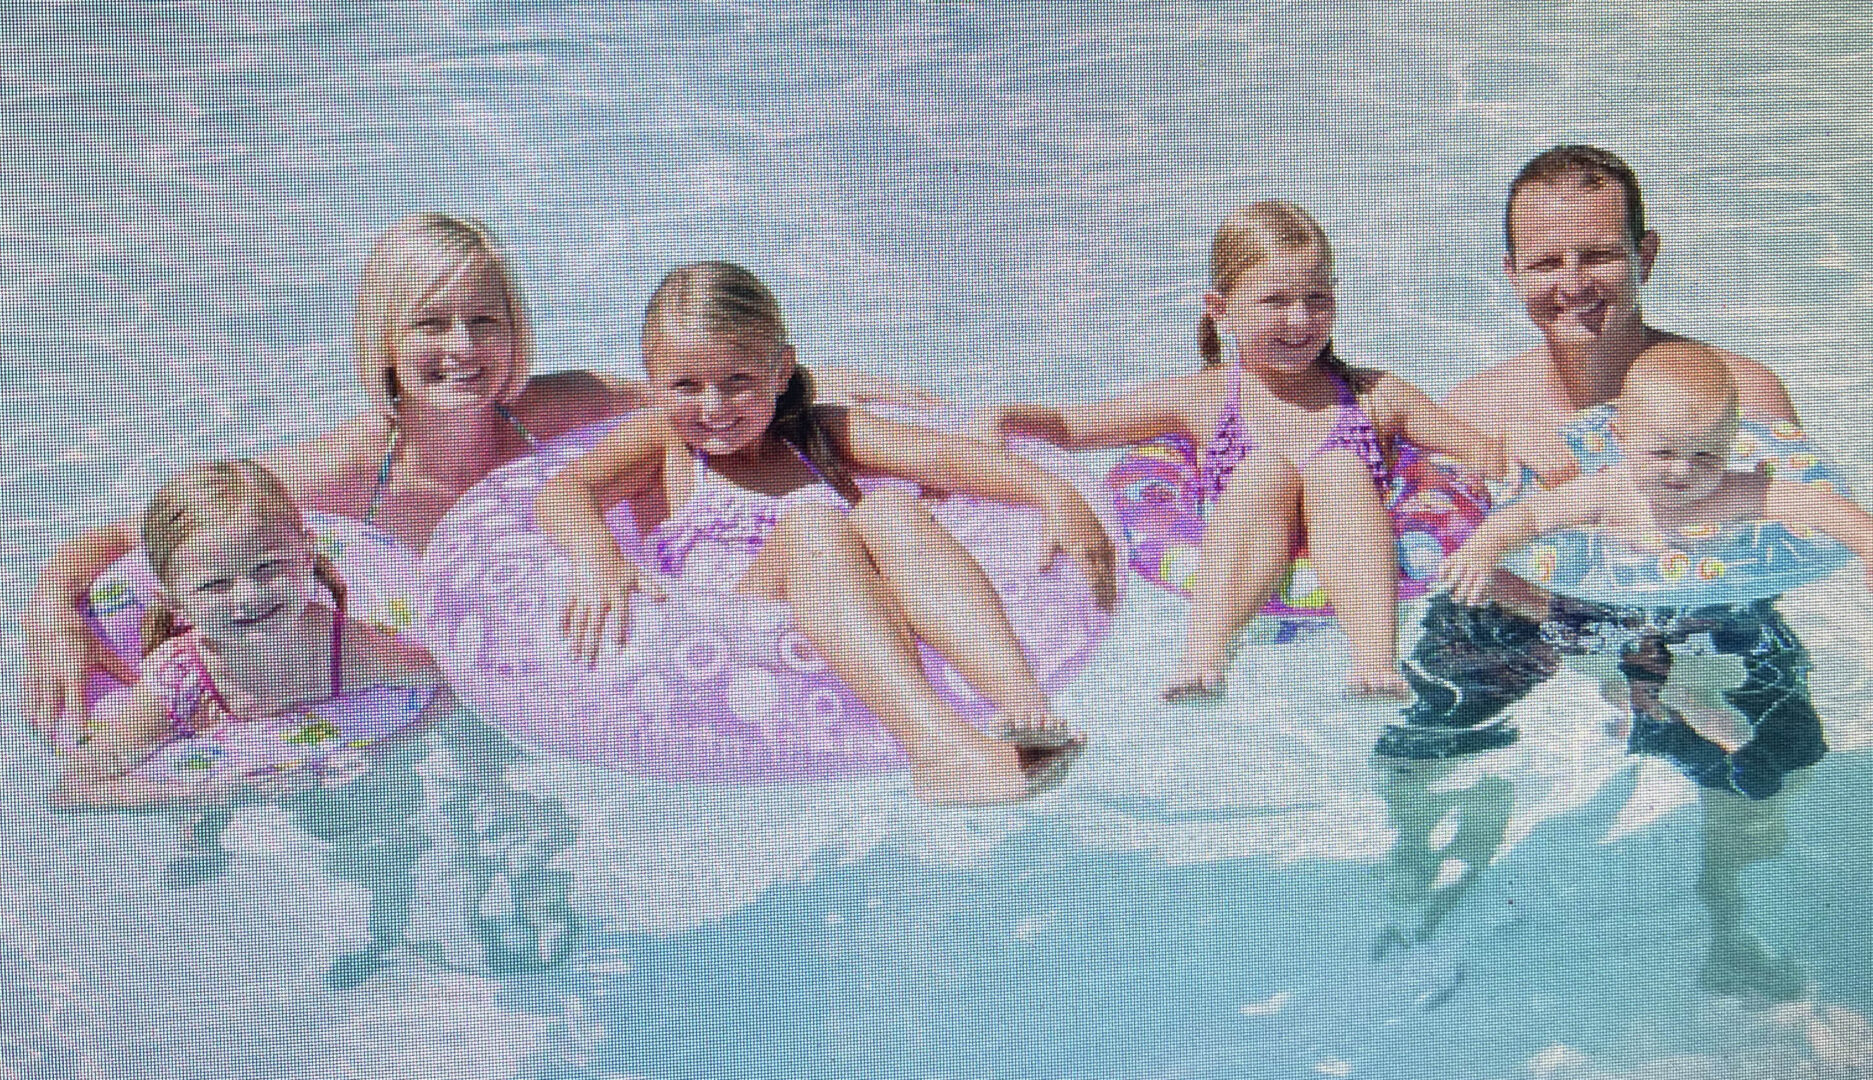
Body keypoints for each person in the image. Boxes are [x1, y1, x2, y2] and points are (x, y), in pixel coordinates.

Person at [23, 213, 939, 737]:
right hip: (419, 696)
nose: (464, 350)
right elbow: (144, 530)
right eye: (431, 324)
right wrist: (48, 612)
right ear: (384, 339)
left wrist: (932, 410)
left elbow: (752, 386)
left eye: (487, 321)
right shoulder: (346, 470)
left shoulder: (551, 410)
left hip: (574, 682)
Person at [1379, 145, 1825, 999]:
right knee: (1415, 745)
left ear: (1644, 255)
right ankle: (1414, 873)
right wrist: (1577, 625)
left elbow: (1789, 536)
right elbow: (1432, 550)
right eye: (1545, 262)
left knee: (1778, 755)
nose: (1572, 283)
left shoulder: (1739, 391)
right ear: (1510, 274)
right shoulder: (1473, 412)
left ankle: (1729, 925)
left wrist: (1655, 637)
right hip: (1525, 609)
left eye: (1597, 255)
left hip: (1697, 612)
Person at [536, 260, 1117, 806]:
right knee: (814, 519)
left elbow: (942, 456)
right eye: (685, 385)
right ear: (653, 382)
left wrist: (1055, 494)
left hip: (839, 606)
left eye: (737, 380)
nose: (713, 407)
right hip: (729, 622)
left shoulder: (817, 431)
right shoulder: (664, 443)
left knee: (889, 507)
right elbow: (565, 491)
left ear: (781, 369)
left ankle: (1026, 708)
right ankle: (936, 747)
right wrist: (600, 561)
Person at [981, 200, 1506, 700]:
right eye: (1275, 301)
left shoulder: (1376, 396)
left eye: (1317, 298)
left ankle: (1372, 664)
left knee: (1341, 469)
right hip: (1241, 553)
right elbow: (1080, 427)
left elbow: (1482, 451)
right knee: (1263, 472)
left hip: (1355, 551)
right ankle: (1202, 662)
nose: (1300, 320)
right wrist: (1010, 415)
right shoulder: (1203, 397)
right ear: (1220, 309)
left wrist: (1532, 466)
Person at [1443, 343, 1869, 786]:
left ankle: (1685, 712)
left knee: (1724, 655)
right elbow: (1529, 516)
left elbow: (1818, 506)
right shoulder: (1608, 491)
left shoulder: (1736, 491)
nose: (1683, 472)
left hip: (1700, 612)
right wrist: (1483, 548)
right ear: (1621, 434)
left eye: (1707, 454)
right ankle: (1656, 709)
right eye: (1662, 454)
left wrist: (1866, 540)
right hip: (1612, 610)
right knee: (1593, 649)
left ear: (1732, 440)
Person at [59, 460, 452, 808]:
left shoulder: (348, 648)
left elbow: (452, 680)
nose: (249, 596)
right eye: (214, 584)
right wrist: (207, 795)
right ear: (176, 604)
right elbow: (76, 787)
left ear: (307, 554)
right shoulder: (179, 681)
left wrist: (382, 753)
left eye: (268, 567)